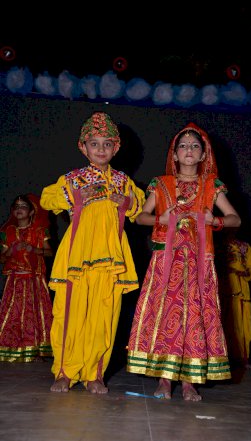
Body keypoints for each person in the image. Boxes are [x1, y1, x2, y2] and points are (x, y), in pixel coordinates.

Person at [126, 122, 241, 401]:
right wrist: (161, 219)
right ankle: (165, 380)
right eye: (183, 146)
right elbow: (141, 217)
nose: (189, 150)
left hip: (200, 262)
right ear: (174, 154)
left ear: (203, 155)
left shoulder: (212, 186)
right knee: (166, 315)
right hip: (166, 261)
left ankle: (190, 380)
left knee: (195, 317)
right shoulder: (161, 184)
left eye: (195, 146)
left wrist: (214, 219)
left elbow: (236, 218)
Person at [40, 111, 145, 393]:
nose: (101, 149)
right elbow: (47, 198)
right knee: (69, 314)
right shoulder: (73, 179)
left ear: (116, 148)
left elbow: (141, 207)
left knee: (105, 316)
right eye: (94, 143)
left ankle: (95, 374)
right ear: (82, 147)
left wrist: (126, 201)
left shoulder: (123, 181)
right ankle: (64, 371)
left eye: (106, 144)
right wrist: (76, 196)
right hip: (76, 257)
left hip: (111, 260)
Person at [0, 194, 53, 362]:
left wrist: (34, 249)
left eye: (23, 206)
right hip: (15, 280)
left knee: (35, 315)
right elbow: (2, 258)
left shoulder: (39, 231)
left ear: (31, 212)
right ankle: (12, 349)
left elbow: (50, 252)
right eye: (16, 206)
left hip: (34, 280)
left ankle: (36, 351)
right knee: (13, 313)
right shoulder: (7, 232)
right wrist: (9, 252)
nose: (19, 209)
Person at [217, 229, 251, 368]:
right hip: (223, 291)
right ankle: (223, 359)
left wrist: (243, 272)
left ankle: (242, 359)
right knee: (224, 326)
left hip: (241, 293)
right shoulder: (218, 245)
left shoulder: (244, 247)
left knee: (243, 328)